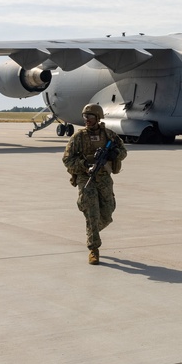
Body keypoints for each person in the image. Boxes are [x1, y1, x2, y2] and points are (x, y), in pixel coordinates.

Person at [62, 103, 127, 265]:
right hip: (86, 177)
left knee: (108, 212)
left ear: (98, 118)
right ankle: (93, 248)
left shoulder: (109, 135)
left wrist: (115, 153)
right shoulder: (78, 137)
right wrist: (85, 165)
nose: (87, 120)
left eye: (90, 117)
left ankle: (93, 230)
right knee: (92, 212)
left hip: (104, 177)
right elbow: (67, 159)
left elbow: (123, 151)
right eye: (85, 117)